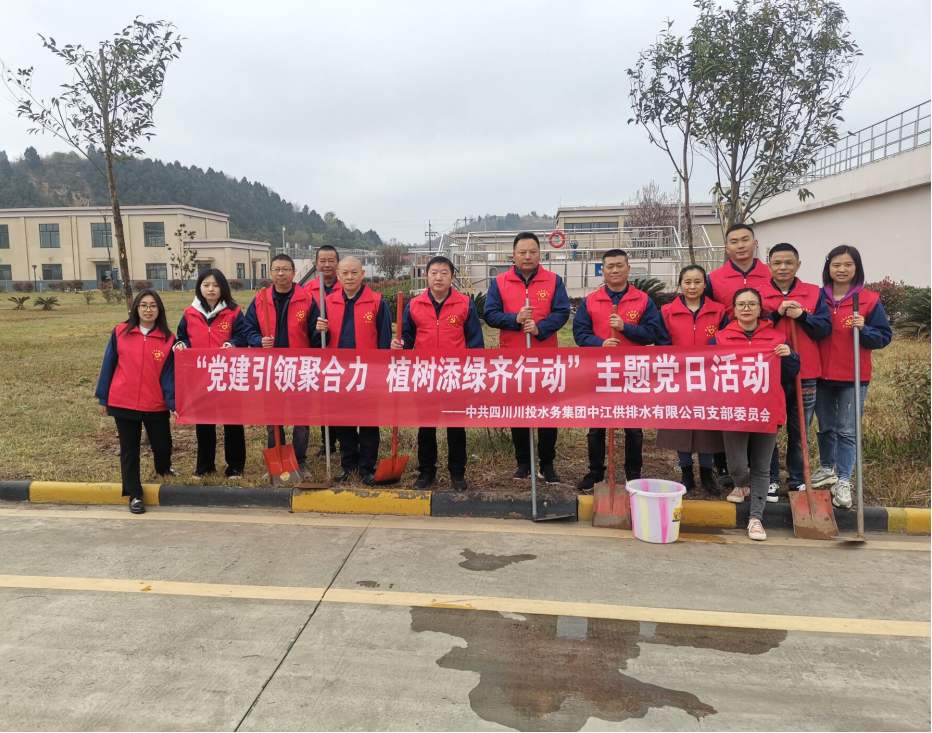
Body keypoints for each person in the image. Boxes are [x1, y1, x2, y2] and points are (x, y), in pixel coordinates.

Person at [572, 249, 670, 492]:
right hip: (600, 372)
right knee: (596, 427)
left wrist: (625, 327)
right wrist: (600, 343)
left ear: (628, 269)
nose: (615, 270)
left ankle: (633, 474)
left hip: (632, 373)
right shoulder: (591, 301)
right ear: (603, 271)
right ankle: (596, 472)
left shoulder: (643, 300)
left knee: (633, 427)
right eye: (610, 266)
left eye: (619, 265)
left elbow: (652, 333)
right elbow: (580, 334)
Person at [710, 288, 800, 541]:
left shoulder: (777, 337)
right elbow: (705, 368)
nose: (746, 308)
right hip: (733, 410)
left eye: (752, 304)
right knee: (736, 465)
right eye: (741, 304)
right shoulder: (720, 338)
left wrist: (790, 356)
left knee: (762, 466)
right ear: (734, 309)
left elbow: (790, 372)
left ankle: (756, 518)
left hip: (766, 410)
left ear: (761, 309)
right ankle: (742, 484)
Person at [483, 232, 571, 483]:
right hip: (513, 360)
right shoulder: (499, 282)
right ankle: (523, 464)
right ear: (514, 255)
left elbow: (562, 312)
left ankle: (547, 464)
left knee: (547, 414)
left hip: (545, 359)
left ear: (540, 254)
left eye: (532, 251)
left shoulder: (553, 281)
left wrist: (540, 328)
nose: (527, 256)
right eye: (522, 252)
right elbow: (489, 314)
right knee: (518, 412)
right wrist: (515, 319)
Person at [392, 256, 484, 491]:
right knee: (426, 426)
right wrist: (400, 344)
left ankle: (457, 472)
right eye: (434, 272)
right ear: (426, 276)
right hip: (425, 374)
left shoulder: (465, 304)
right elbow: (408, 337)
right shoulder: (415, 305)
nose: (439, 277)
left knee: (456, 425)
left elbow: (475, 342)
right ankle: (426, 471)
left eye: (444, 272)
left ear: (452, 277)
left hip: (455, 375)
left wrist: (475, 374)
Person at [813, 245, 892, 509]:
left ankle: (844, 479)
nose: (842, 269)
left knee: (847, 431)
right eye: (836, 264)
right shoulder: (817, 297)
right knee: (825, 427)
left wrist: (865, 328)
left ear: (856, 267)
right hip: (821, 374)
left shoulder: (868, 300)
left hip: (853, 376)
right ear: (828, 267)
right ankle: (827, 468)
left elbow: (883, 337)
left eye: (848, 264)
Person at [759, 243, 832, 501]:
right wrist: (776, 314)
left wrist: (802, 316)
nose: (783, 267)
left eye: (789, 262)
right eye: (777, 262)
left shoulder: (814, 293)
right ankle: (769, 478)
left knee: (799, 429)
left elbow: (824, 329)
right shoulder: (759, 294)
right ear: (768, 265)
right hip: (768, 373)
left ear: (798, 265)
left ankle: (798, 479)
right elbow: (749, 325)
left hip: (805, 371)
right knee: (768, 428)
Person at [95, 289, 177, 514]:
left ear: (159, 309)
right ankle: (134, 495)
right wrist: (104, 397)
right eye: (144, 305)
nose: (148, 310)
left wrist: (174, 403)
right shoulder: (120, 332)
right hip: (124, 401)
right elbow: (109, 364)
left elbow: (169, 375)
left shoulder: (168, 338)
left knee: (163, 445)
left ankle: (164, 470)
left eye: (153, 306)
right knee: (129, 450)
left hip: (155, 402)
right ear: (136, 309)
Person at [706, 222, 773, 487]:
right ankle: (726, 468)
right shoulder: (714, 278)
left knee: (762, 413)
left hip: (764, 354)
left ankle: (764, 474)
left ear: (755, 243)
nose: (741, 245)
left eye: (746, 240)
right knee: (726, 411)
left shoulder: (771, 272)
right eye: (734, 241)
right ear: (727, 248)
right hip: (727, 353)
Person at [317, 256, 392, 484]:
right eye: (345, 273)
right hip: (338, 371)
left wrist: (382, 371)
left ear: (363, 274)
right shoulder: (328, 302)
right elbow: (318, 340)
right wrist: (320, 329)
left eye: (354, 272)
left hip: (367, 372)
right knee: (343, 421)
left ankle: (366, 466)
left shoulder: (376, 301)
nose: (349, 277)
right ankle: (349, 465)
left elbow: (384, 338)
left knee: (368, 422)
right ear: (338, 276)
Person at [243, 253, 319, 476]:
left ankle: (300, 461)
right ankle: (277, 459)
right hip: (271, 369)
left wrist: (321, 331)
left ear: (294, 273)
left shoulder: (306, 299)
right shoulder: (260, 300)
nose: (281, 273)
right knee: (273, 418)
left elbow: (316, 335)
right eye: (276, 269)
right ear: (270, 273)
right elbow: (248, 329)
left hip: (299, 368)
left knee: (301, 419)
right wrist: (259, 340)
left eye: (285, 269)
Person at [656, 264, 726, 495]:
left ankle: (707, 473)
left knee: (707, 426)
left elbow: (725, 341)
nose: (693, 286)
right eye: (687, 282)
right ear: (680, 285)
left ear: (705, 284)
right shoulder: (666, 311)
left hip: (710, 378)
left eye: (698, 281)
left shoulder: (719, 312)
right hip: (678, 377)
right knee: (681, 425)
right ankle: (686, 473)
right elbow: (662, 343)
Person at [173, 268, 248, 478]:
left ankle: (235, 467)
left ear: (223, 288)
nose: (211, 289)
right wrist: (181, 345)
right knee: (204, 422)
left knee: (232, 422)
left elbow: (242, 337)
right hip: (200, 378)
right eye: (206, 285)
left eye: (215, 285)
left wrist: (232, 344)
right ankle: (205, 467)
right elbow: (182, 337)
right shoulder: (190, 313)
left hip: (228, 376)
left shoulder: (234, 312)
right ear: (200, 288)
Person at [304, 245, 342, 457]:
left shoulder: (346, 286)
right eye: (322, 261)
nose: (327, 265)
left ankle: (346, 441)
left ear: (338, 263)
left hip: (341, 352)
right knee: (323, 398)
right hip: (316, 353)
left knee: (342, 398)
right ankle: (327, 442)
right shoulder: (307, 290)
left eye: (331, 261)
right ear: (315, 263)